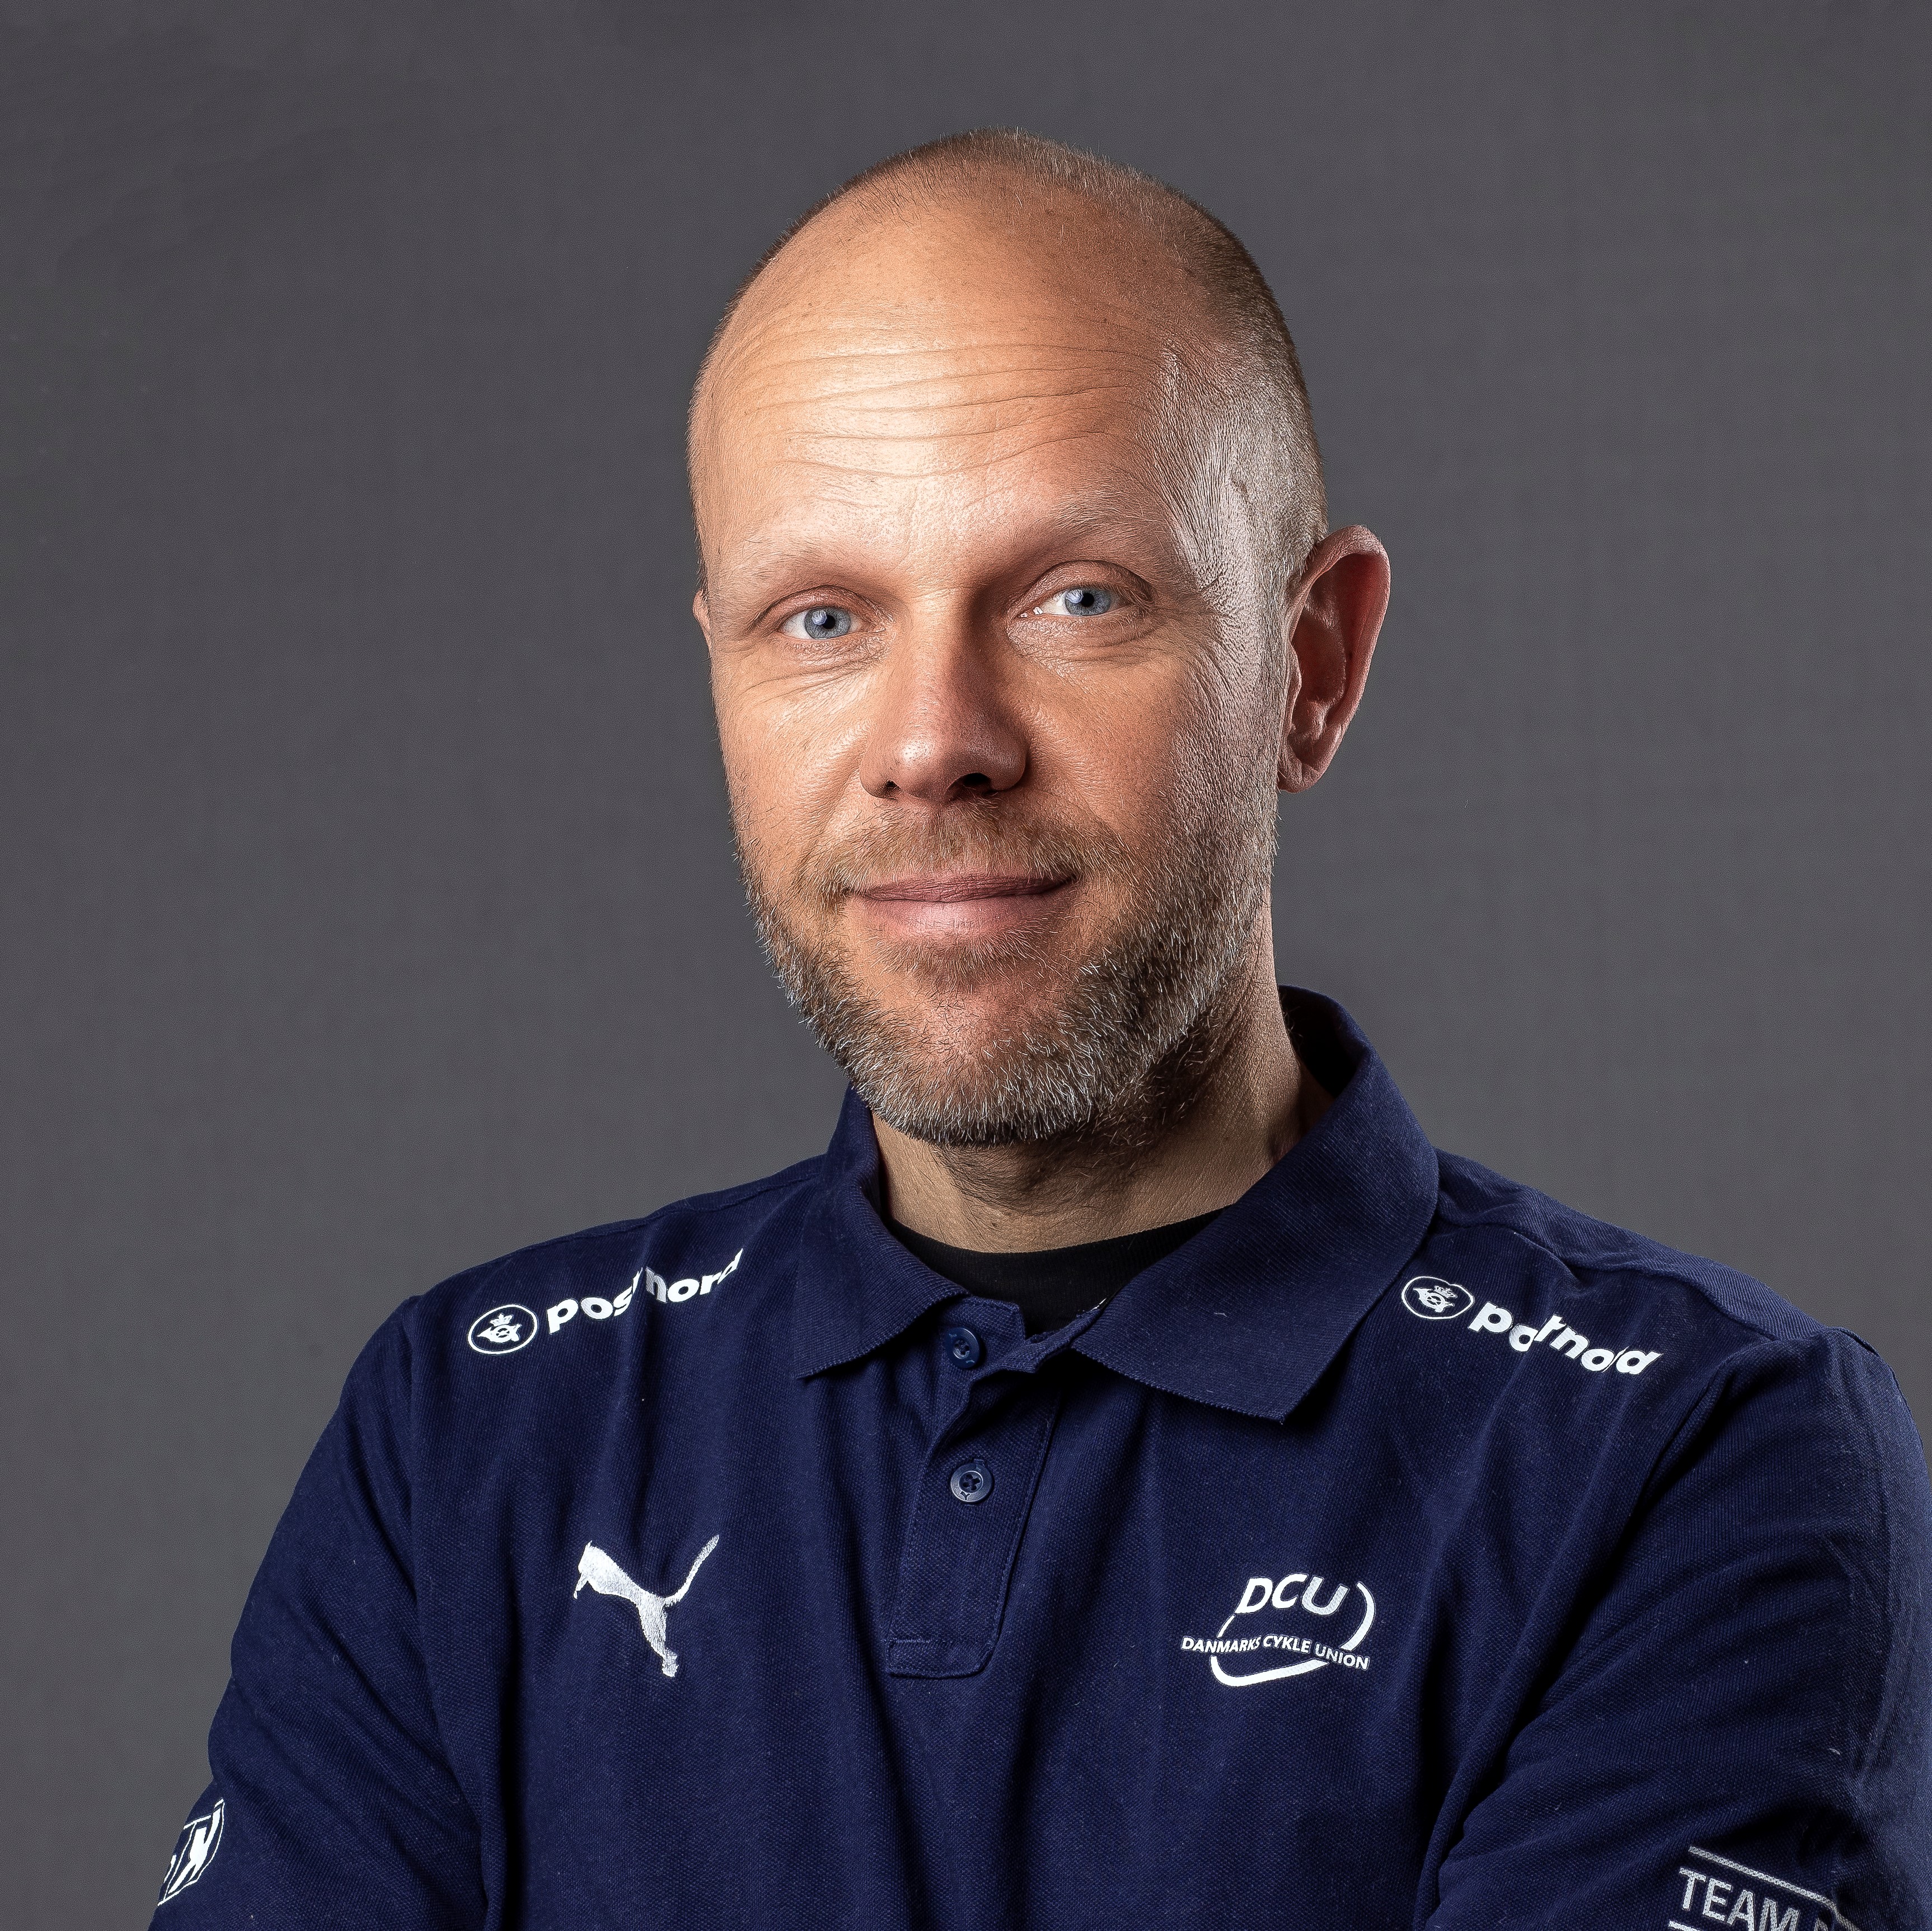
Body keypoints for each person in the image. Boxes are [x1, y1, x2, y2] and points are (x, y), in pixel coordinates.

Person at [151, 129, 1930, 1930]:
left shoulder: (1689, 1452)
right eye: (821, 617)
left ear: (1310, 666)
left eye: (1077, 598)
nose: (934, 739)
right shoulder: (469, 1424)